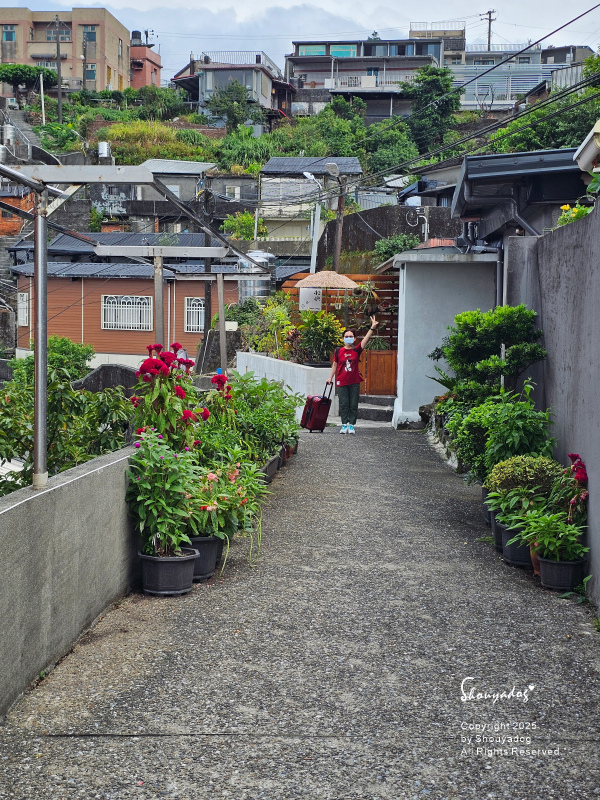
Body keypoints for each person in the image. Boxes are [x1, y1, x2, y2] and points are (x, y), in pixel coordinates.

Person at [327, 315, 379, 434]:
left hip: (354, 382)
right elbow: (335, 364)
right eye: (346, 337)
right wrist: (330, 377)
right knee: (343, 404)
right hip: (342, 381)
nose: (348, 338)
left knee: (353, 404)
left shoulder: (356, 350)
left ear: (354, 339)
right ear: (342, 339)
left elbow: (365, 340)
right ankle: (344, 424)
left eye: (351, 336)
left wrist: (372, 328)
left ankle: (351, 425)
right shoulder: (338, 351)